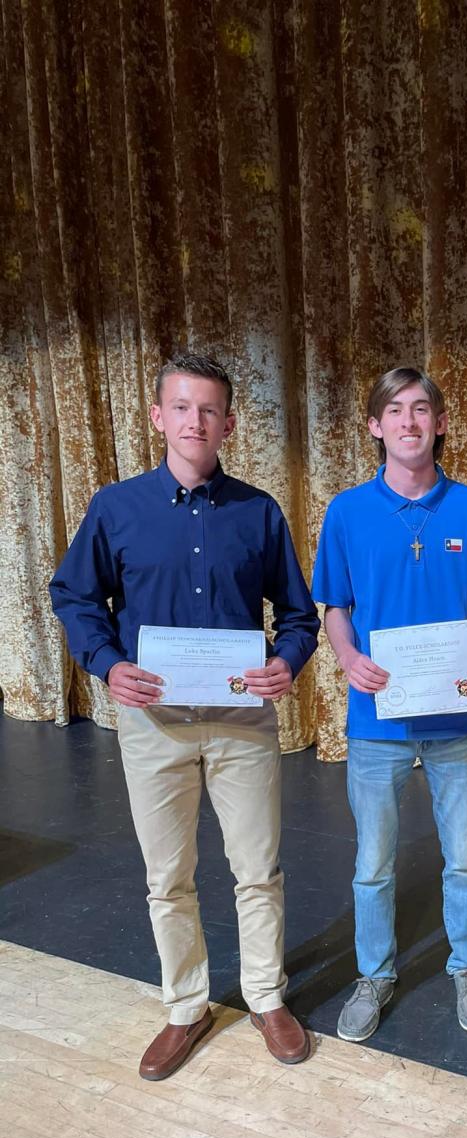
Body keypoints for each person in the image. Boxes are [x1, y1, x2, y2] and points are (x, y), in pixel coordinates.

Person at [50, 352, 319, 1080]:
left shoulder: (258, 511)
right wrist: (107, 663)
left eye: (209, 410)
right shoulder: (116, 507)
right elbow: (74, 597)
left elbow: (298, 615)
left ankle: (265, 996)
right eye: (182, 406)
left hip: (241, 723)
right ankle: (186, 1007)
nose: (195, 420)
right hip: (154, 724)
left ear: (228, 423)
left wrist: (286, 661)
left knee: (257, 869)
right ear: (157, 416)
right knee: (168, 875)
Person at [312, 368, 467, 1042]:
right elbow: (334, 609)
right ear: (374, 426)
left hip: (454, 721)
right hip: (377, 723)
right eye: (394, 411)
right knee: (374, 863)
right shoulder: (346, 512)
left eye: (421, 409)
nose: (408, 421)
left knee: (466, 859)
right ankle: (376, 973)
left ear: (441, 422)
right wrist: (347, 656)